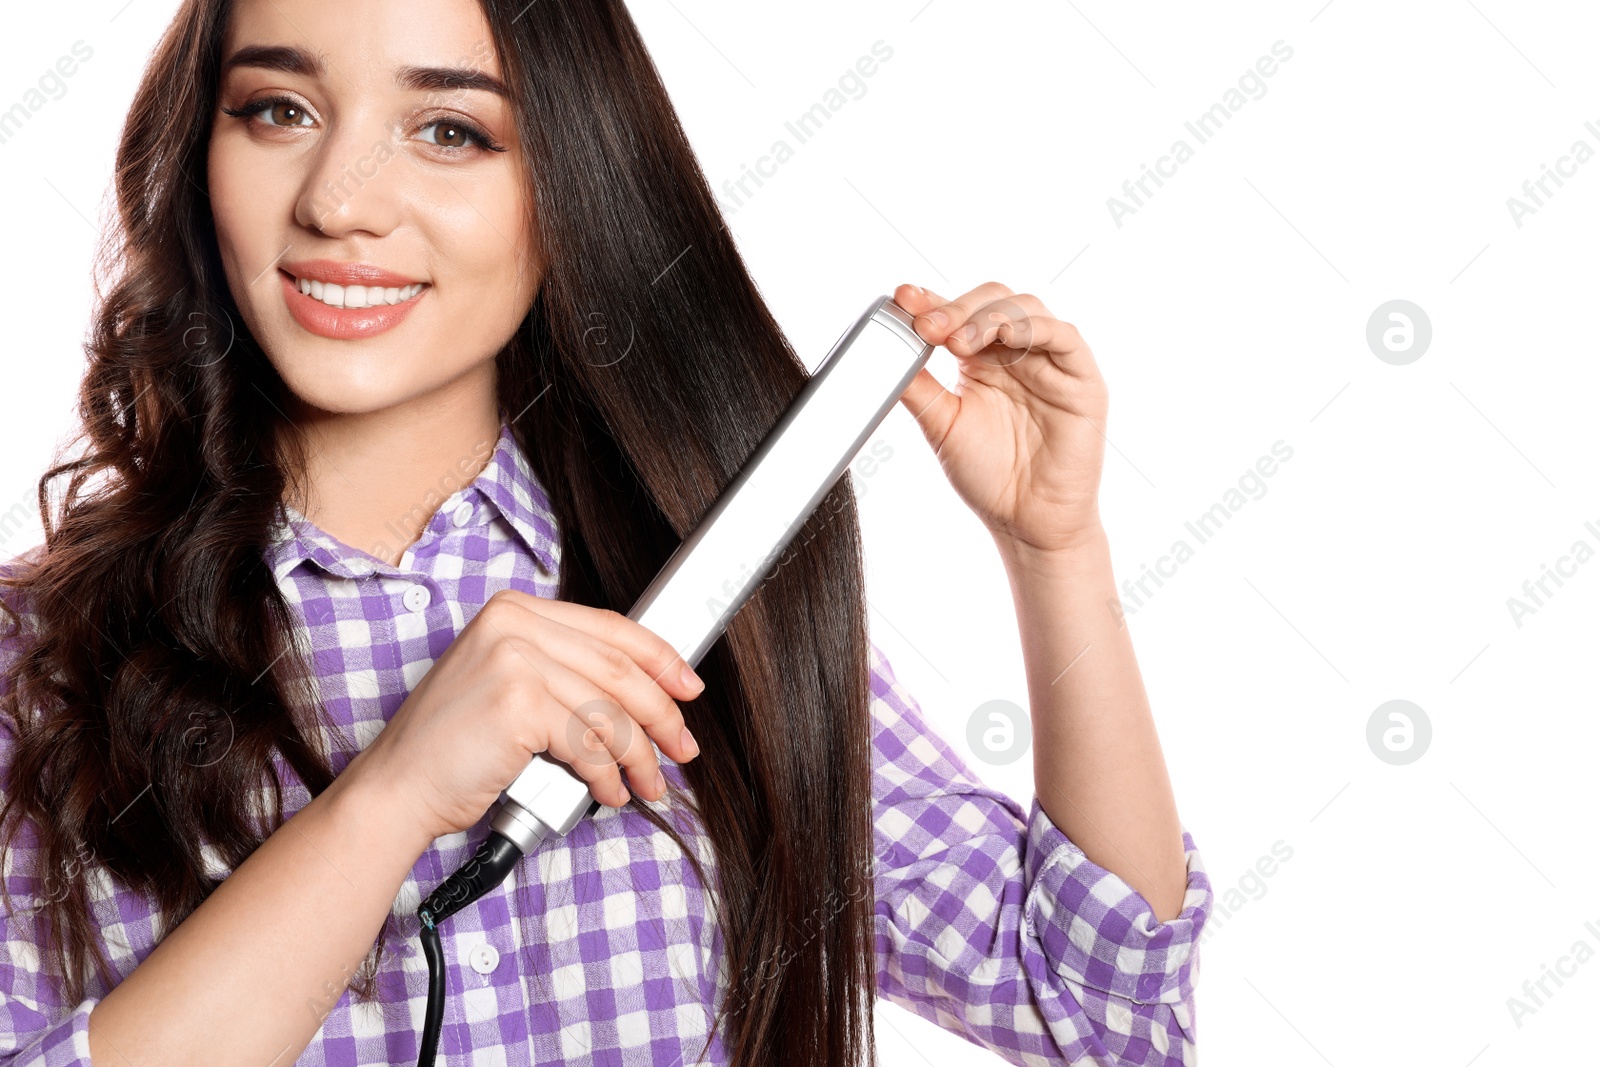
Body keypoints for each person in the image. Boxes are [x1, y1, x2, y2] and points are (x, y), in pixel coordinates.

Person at [0, 0, 1212, 1064]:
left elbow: (1100, 1012)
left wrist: (1054, 550)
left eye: (450, 130)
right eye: (276, 109)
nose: (337, 202)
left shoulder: (703, 614)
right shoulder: (37, 664)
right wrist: (388, 800)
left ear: (569, 181)